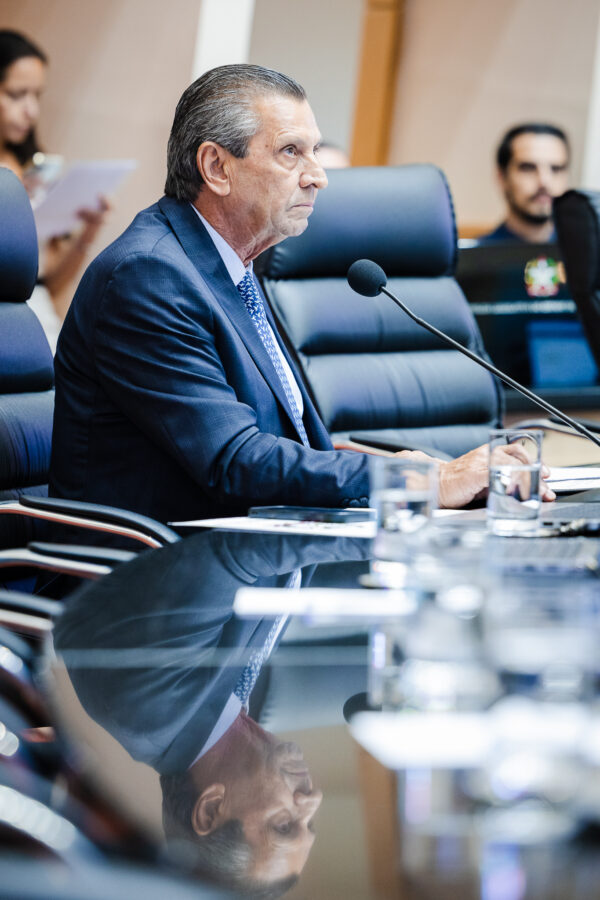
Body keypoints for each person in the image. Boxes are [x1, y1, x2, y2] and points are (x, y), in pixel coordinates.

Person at [49, 64, 554, 524]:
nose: (318, 177)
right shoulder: (149, 277)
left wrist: (435, 472)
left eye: (314, 151)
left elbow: (294, 444)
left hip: (250, 544)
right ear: (217, 167)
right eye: (291, 152)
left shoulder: (231, 268)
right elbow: (235, 460)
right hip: (152, 574)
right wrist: (421, 482)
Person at [0, 29, 109, 350]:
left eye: (37, 96)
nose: (31, 111)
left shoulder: (33, 167)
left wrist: (88, 231)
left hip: (38, 322)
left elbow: (47, 285)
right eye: (17, 95)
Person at [481, 122, 570, 244]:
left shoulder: (587, 252)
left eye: (556, 169)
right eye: (528, 168)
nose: (544, 181)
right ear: (501, 177)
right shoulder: (476, 255)